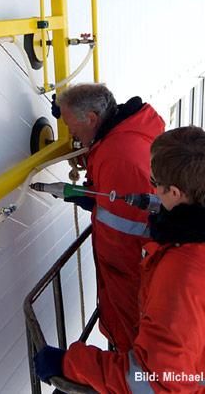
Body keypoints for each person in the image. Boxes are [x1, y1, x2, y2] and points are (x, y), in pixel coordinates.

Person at [35, 126, 205, 393]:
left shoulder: (184, 275)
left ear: (176, 193)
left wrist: (68, 365)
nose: (150, 191)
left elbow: (152, 382)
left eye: (154, 183)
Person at [56, 83, 164, 352]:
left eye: (72, 126)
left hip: (130, 274)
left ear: (92, 118)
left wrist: (93, 199)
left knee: (133, 345)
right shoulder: (119, 136)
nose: (72, 134)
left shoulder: (120, 155)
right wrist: (95, 194)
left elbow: (131, 223)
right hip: (126, 271)